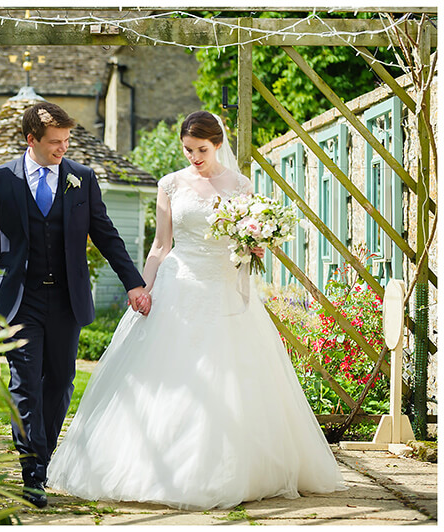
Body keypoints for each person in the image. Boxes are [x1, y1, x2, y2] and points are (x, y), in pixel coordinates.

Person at [46, 111, 347, 510]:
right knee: (169, 376)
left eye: (201, 150)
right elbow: (160, 245)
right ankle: (158, 466)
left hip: (223, 289)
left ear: (218, 144)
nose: (194, 157)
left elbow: (245, 237)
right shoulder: (170, 184)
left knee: (228, 377)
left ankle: (232, 467)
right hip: (179, 286)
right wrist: (143, 288)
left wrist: (254, 245)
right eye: (188, 150)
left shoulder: (240, 184)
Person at [0, 102, 151, 508]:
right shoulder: (0, 179)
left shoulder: (81, 179)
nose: (62, 148)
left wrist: (134, 283)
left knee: (58, 385)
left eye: (66, 141)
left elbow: (106, 235)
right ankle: (32, 473)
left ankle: (45, 456)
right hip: (20, 301)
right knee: (24, 387)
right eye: (55, 142)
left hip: (67, 300)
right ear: (30, 140)